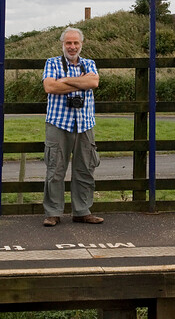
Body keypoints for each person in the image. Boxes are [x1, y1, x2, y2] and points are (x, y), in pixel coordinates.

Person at [41, 27, 103, 227]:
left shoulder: (90, 63)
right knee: (55, 169)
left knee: (85, 169)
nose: (72, 47)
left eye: (76, 43)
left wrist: (66, 80)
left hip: (84, 124)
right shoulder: (52, 62)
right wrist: (80, 83)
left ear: (81, 44)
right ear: (62, 44)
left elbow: (94, 82)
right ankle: (53, 212)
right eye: (68, 43)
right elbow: (50, 87)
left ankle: (82, 211)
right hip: (58, 123)